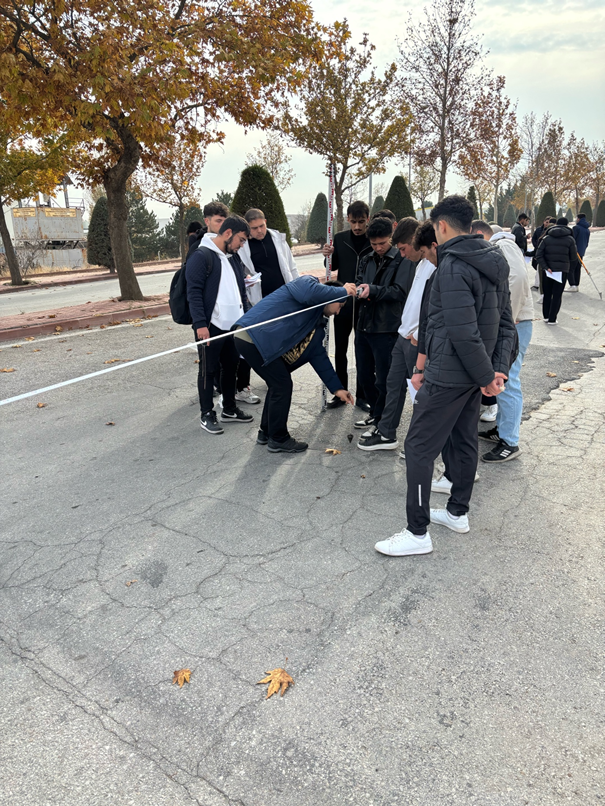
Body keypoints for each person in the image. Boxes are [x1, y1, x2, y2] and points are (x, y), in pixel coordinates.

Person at [374, 195, 516, 557]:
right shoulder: (494, 259)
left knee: (418, 448)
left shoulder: (452, 266)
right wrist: (496, 370)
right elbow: (505, 324)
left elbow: (462, 332)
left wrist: (487, 377)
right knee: (464, 440)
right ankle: (457, 513)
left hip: (451, 374)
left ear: (440, 226)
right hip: (469, 375)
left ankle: (417, 532)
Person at [233, 277, 357, 453]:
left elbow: (319, 357)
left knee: (278, 384)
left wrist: (337, 389)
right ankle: (278, 438)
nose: (338, 312)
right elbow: (310, 293)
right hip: (252, 336)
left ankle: (266, 432)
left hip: (257, 341)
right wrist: (343, 291)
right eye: (340, 306)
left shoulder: (316, 325)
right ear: (331, 296)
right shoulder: (306, 283)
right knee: (281, 384)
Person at [358, 218, 432, 451]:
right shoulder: (419, 262)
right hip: (403, 334)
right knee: (392, 384)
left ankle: (421, 444)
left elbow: (431, 304)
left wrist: (419, 333)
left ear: (415, 241)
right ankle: (386, 433)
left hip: (413, 337)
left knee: (419, 391)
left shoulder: (432, 264)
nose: (401, 254)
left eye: (403, 248)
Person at [471, 220, 533, 462]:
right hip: (513, 321)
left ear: (479, 234)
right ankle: (503, 429)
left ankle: (510, 442)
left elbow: (517, 280)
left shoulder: (502, 246)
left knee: (507, 378)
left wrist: (508, 317)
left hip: (515, 322)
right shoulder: (502, 246)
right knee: (503, 377)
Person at [186, 215, 255, 435]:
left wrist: (245, 318)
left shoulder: (232, 257)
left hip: (233, 325)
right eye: (241, 240)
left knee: (231, 368)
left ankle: (230, 409)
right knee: (208, 371)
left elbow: (240, 290)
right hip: (210, 327)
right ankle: (207, 414)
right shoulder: (201, 256)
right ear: (228, 233)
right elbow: (193, 293)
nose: (241, 245)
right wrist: (200, 324)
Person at [354, 217, 409, 432]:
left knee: (384, 379)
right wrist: (358, 289)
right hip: (363, 325)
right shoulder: (366, 258)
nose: (378, 248)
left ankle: (382, 421)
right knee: (364, 375)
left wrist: (373, 290)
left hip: (387, 327)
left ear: (391, 238)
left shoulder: (402, 259)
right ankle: (374, 413)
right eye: (374, 244)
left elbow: (400, 291)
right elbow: (359, 281)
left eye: (382, 243)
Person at [321, 200, 372, 410]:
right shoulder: (340, 239)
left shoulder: (372, 239)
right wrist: (327, 255)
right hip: (343, 303)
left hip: (365, 303)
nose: (357, 226)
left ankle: (363, 395)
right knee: (340, 350)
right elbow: (332, 266)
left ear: (368, 219)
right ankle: (341, 393)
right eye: (353, 222)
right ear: (348, 220)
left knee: (363, 352)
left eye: (361, 221)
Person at [238, 208, 299, 299]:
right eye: (254, 228)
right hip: (262, 297)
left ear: (265, 222)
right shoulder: (242, 246)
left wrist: (298, 288)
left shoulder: (278, 239)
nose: (259, 230)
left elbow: (292, 266)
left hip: (286, 292)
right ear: (247, 227)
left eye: (261, 226)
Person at [536, 217, 579, 324]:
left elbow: (539, 255)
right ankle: (552, 319)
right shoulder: (570, 239)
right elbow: (574, 257)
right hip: (562, 270)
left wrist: (546, 267)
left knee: (547, 294)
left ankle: (546, 316)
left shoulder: (546, 238)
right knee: (557, 295)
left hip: (547, 271)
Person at [569, 212, 591, 291]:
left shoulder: (576, 228)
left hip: (574, 251)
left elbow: (572, 240)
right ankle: (576, 284)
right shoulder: (587, 229)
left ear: (578, 219)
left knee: (570, 268)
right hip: (581, 251)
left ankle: (572, 285)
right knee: (577, 268)